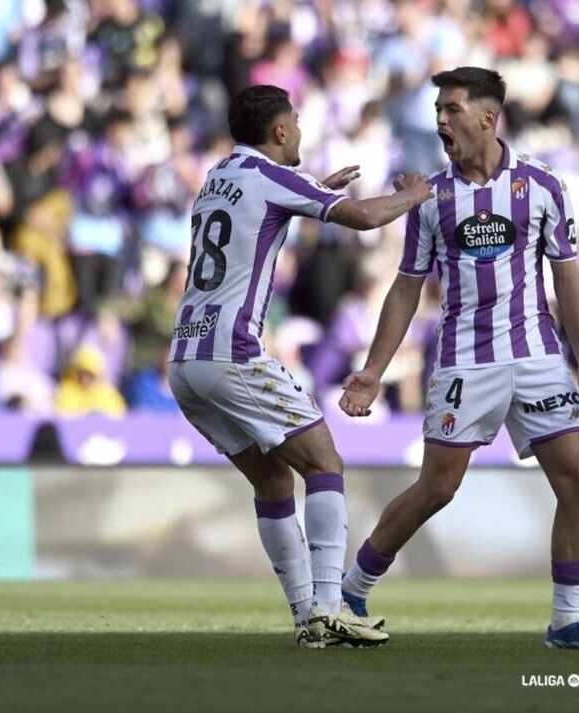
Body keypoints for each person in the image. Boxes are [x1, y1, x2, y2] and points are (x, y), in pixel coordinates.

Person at [337, 67, 579, 651]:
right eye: (438, 109)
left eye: (451, 109)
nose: (440, 119)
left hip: (539, 354)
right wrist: (372, 371)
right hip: (465, 361)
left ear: (488, 117)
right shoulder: (430, 198)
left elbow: (566, 276)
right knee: (438, 488)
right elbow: (405, 288)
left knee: (576, 478)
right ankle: (349, 592)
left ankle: (566, 622)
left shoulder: (543, 186)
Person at [167, 84, 432, 649]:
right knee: (323, 461)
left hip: (186, 359)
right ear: (281, 130)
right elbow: (361, 218)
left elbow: (258, 214)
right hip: (232, 353)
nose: (302, 131)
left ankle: (306, 617)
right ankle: (332, 606)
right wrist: (414, 195)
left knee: (271, 479)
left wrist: (311, 189)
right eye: (297, 121)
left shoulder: (217, 175)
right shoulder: (270, 175)